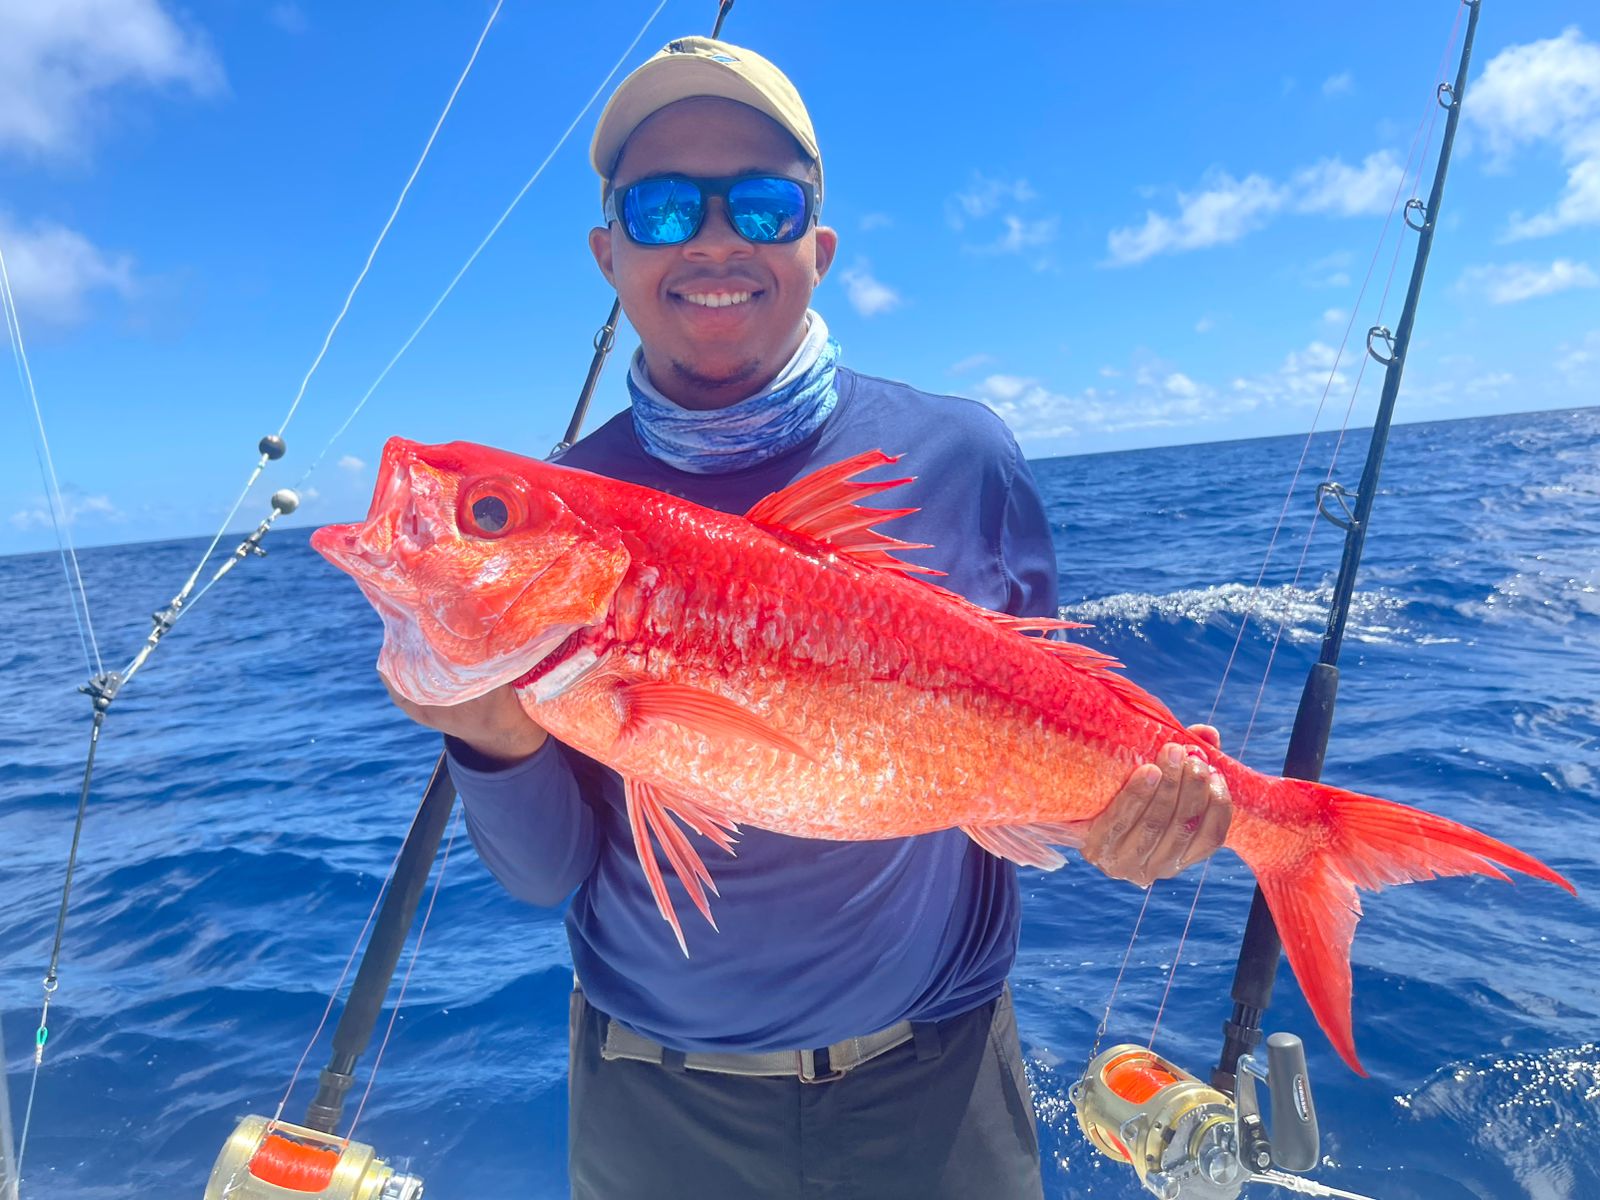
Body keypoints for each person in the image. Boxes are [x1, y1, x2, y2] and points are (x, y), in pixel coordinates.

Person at [383, 36, 1232, 1200]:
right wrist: (486, 725)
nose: (716, 240)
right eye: (665, 206)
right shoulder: (575, 499)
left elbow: (1035, 724)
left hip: (940, 1090)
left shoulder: (963, 455)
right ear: (609, 255)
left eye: (764, 206)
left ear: (818, 249)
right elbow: (546, 877)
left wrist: (1134, 819)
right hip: (654, 1103)